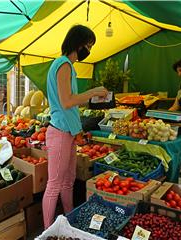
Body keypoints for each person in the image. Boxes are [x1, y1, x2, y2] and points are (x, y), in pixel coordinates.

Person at [43, 25, 108, 229]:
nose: (88, 50)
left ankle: (69, 220)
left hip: (67, 132)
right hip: (60, 132)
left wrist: (77, 131)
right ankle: (47, 231)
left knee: (68, 180)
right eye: (88, 45)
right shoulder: (63, 65)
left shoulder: (65, 65)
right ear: (78, 43)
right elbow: (66, 101)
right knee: (54, 185)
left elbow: (70, 105)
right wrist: (92, 92)